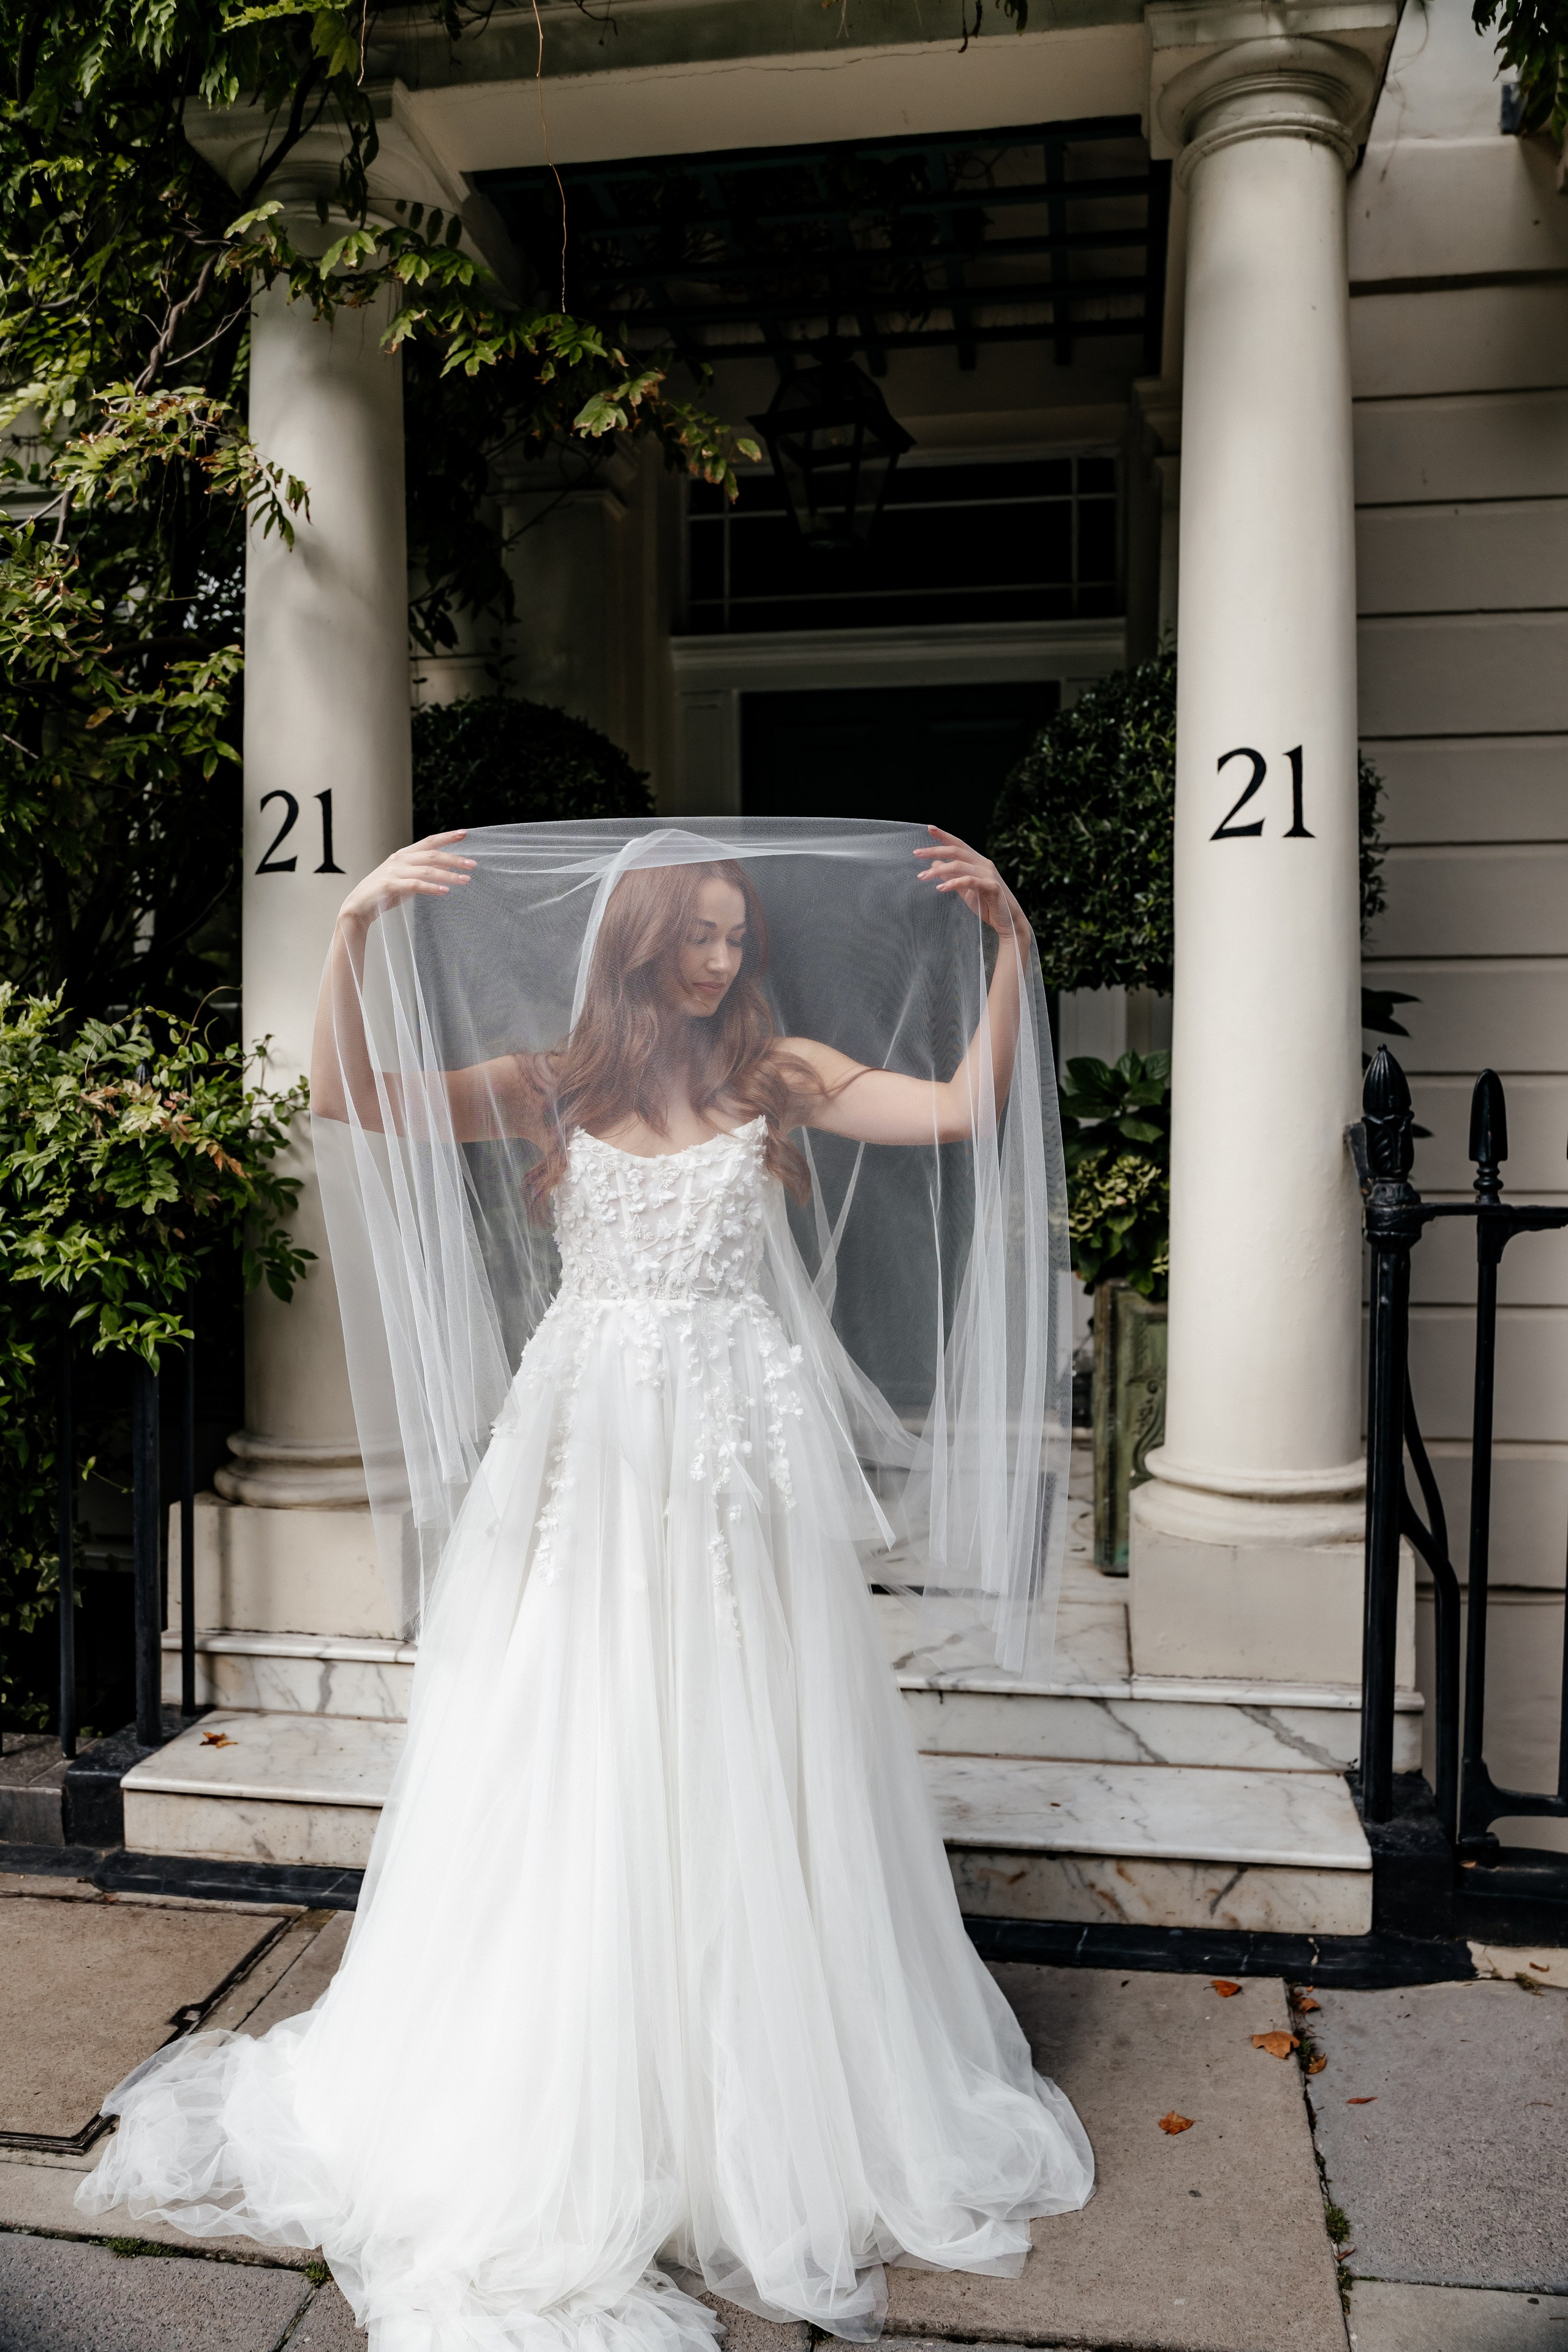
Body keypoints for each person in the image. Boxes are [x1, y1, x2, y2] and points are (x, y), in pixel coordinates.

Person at [80, 820, 1093, 2352]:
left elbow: (961, 1108)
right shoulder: (559, 1080)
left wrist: (1011, 946)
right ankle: (563, 2087)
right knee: (567, 1729)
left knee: (748, 1738)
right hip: (583, 1448)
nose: (723, 957)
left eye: (736, 935)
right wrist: (351, 929)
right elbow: (353, 1096)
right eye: (698, 933)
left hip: (730, 1458)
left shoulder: (777, 1073)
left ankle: (753, 2098)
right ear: (634, 942)